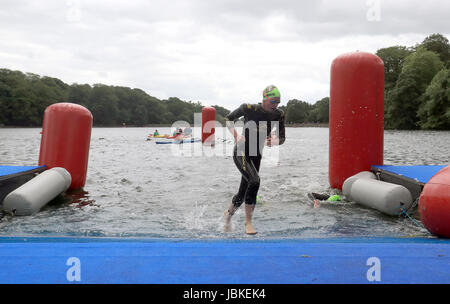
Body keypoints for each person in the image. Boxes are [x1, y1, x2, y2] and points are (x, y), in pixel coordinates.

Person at [224, 85, 286, 235]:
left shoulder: (279, 114)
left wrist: (274, 141)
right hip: (241, 151)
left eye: (278, 102)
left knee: (243, 191)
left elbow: (282, 138)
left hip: (256, 154)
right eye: (273, 101)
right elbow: (227, 119)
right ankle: (248, 222)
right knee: (255, 180)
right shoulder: (249, 108)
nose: (275, 105)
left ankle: (228, 215)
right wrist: (236, 135)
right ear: (264, 99)